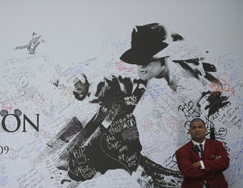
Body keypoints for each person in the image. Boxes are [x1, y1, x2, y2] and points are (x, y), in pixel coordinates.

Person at [47, 23, 228, 187]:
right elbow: (121, 86)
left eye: (146, 61)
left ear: (163, 56)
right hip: (147, 164)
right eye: (137, 62)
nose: (140, 67)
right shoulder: (150, 79)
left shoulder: (190, 86)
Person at [175, 118, 229, 188]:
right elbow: (187, 171)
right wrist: (213, 171)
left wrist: (201, 164)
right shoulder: (182, 151)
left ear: (205, 130)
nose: (197, 130)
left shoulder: (217, 145)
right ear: (189, 131)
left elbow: (224, 163)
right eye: (194, 128)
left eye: (200, 127)